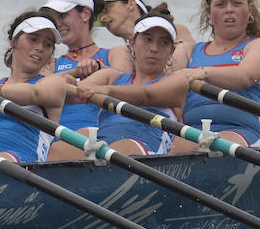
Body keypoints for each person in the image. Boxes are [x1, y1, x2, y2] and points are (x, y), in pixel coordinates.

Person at [171, 0, 260, 153]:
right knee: (165, 150)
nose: (229, 9)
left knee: (210, 148)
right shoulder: (189, 51)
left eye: (236, 3)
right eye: (221, 5)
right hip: (191, 133)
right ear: (208, 13)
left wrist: (202, 72)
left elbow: (244, 77)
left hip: (245, 134)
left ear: (250, 9)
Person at [75, 10, 188, 155]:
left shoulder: (177, 82)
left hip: (146, 152)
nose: (154, 48)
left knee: (124, 147)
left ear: (171, 51)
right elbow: (72, 95)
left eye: (164, 43)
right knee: (62, 148)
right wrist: (64, 80)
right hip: (104, 148)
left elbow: (146, 94)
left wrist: (106, 91)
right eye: (148, 39)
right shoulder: (110, 77)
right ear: (133, 44)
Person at [44, 0, 132, 160]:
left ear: (85, 14)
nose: (57, 24)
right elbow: (38, 91)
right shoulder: (50, 63)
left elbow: (127, 86)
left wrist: (99, 69)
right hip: (55, 141)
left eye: (62, 15)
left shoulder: (115, 53)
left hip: (100, 141)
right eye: (54, 18)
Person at [0, 12, 65, 162]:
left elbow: (34, 93)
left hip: (25, 163)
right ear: (13, 42)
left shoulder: (54, 84)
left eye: (48, 45)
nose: (40, 48)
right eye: (33, 39)